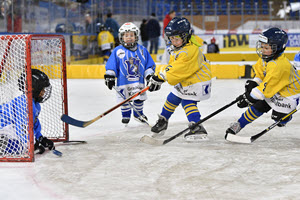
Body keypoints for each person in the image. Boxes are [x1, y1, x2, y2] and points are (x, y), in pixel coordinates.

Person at [226, 27, 300, 136]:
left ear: (277, 48)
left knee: (278, 118)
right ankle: (240, 124)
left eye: (266, 48)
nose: (262, 50)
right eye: (262, 46)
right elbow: (261, 73)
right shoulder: (266, 57)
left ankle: (285, 116)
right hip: (274, 88)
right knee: (260, 105)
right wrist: (255, 82)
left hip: (288, 94)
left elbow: (265, 90)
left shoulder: (280, 65)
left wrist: (248, 98)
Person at [148, 17, 212, 142]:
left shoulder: (189, 51)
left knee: (187, 102)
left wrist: (161, 77)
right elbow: (171, 65)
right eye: (171, 38)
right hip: (188, 79)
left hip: (198, 81)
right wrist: (157, 75)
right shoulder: (179, 47)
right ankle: (163, 121)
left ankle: (197, 125)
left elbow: (178, 68)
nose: (173, 41)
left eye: (176, 38)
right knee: (173, 97)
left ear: (186, 36)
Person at [104, 22, 156, 125]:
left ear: (136, 36)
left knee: (139, 99)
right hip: (124, 82)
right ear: (121, 37)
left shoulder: (142, 50)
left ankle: (138, 114)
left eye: (132, 35)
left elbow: (148, 65)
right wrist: (110, 76)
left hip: (138, 82)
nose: (129, 38)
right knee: (124, 100)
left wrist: (149, 75)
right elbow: (112, 65)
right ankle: (126, 115)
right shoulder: (117, 51)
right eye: (126, 35)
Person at [0, 69, 55, 155]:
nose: (44, 92)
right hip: (3, 128)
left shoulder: (35, 105)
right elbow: (22, 128)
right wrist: (30, 145)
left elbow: (33, 124)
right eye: (42, 89)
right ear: (34, 88)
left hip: (7, 129)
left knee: (20, 146)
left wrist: (40, 138)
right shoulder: (24, 102)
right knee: (19, 147)